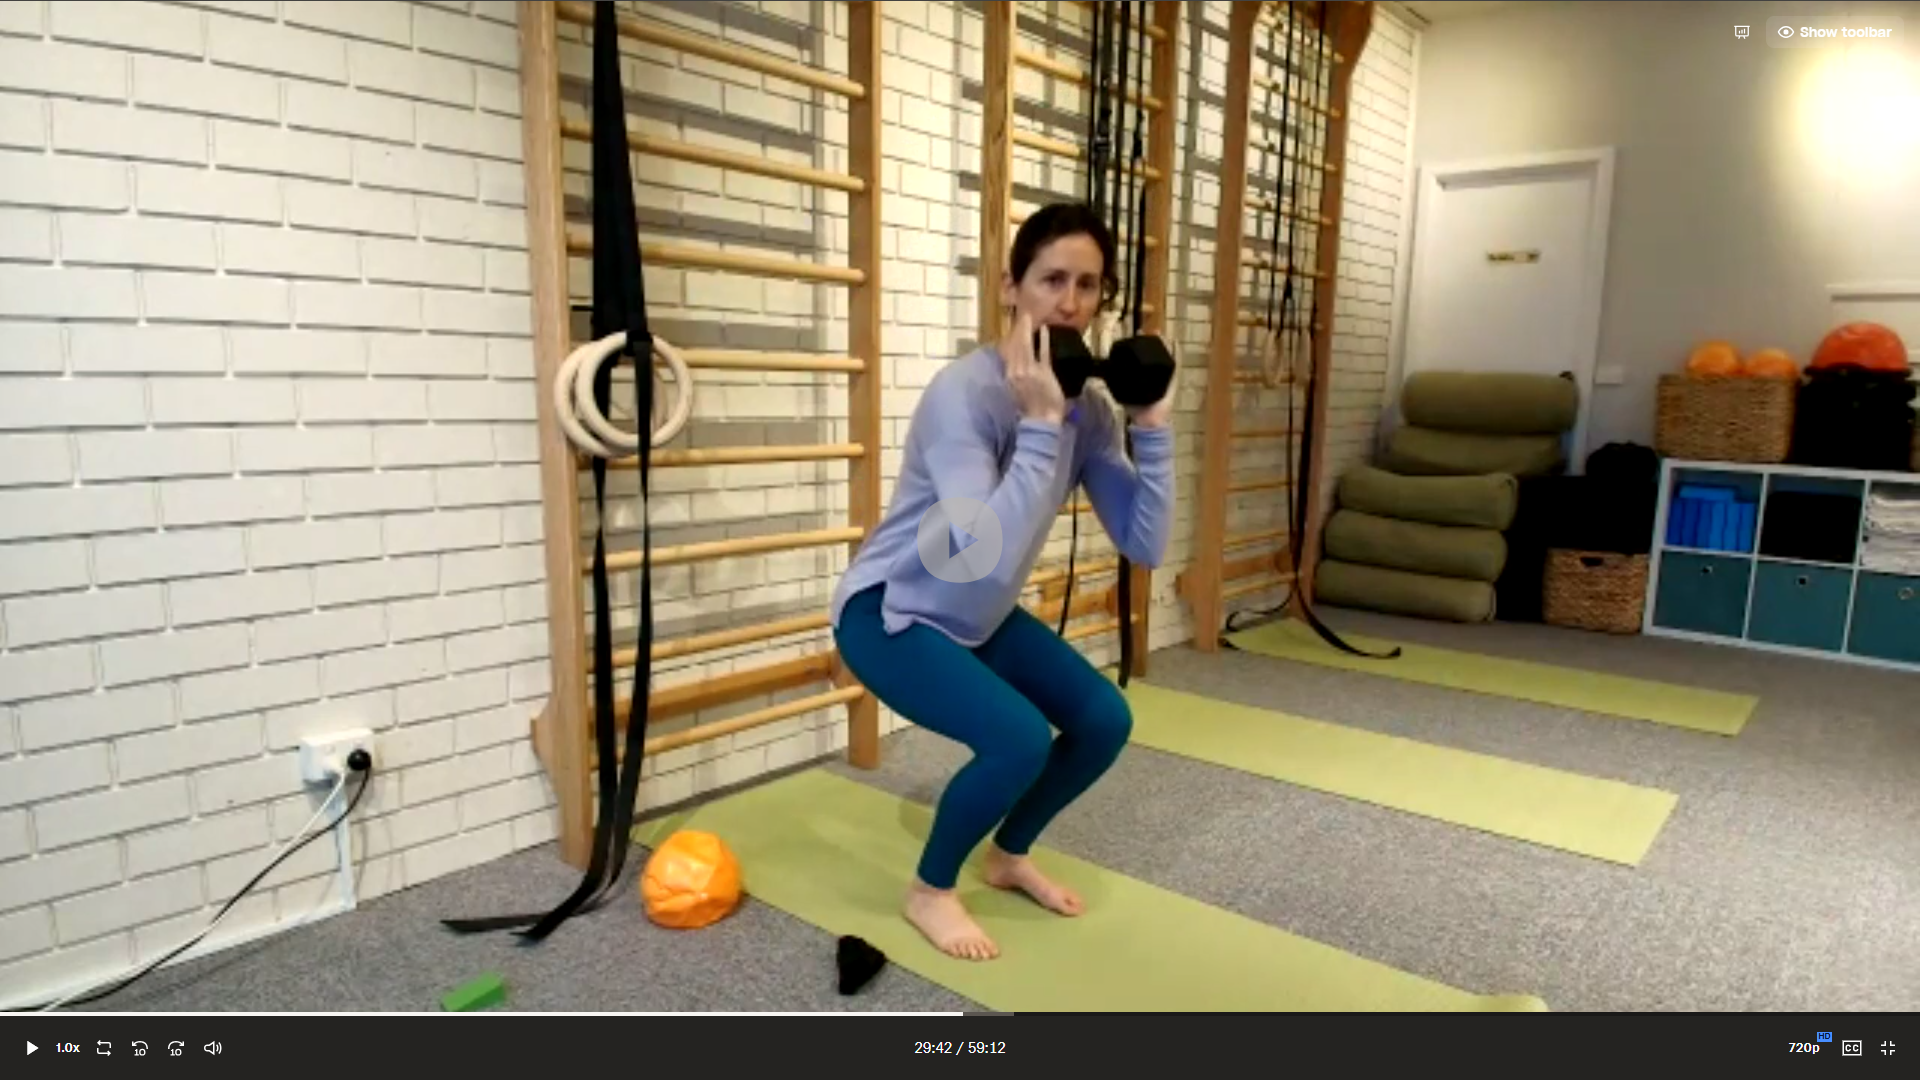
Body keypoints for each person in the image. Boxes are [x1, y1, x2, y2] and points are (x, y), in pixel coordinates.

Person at [829, 202, 1175, 960]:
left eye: (1089, 285)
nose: (1071, 303)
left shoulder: (1089, 412)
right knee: (1017, 739)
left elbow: (1144, 543)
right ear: (1010, 286)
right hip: (894, 611)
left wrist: (1152, 427)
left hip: (977, 616)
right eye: (1052, 279)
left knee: (1103, 721)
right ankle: (930, 890)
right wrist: (1042, 425)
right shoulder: (962, 394)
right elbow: (978, 550)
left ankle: (1008, 854)